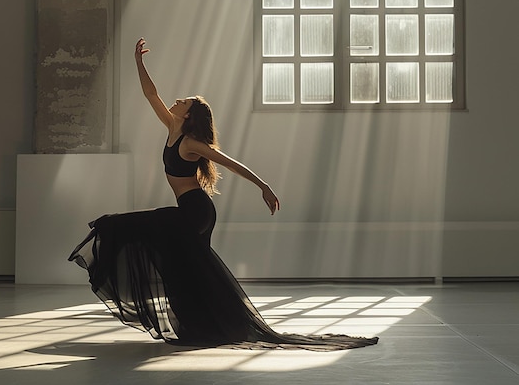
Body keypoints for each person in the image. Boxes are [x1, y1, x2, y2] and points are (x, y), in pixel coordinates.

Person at [68, 38, 378, 351]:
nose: (176, 100)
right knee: (183, 267)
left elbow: (230, 162)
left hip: (195, 211)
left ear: (189, 115)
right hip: (190, 209)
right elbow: (151, 94)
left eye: (184, 101)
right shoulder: (172, 127)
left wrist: (263, 186)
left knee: (122, 226)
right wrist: (138, 62)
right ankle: (203, 326)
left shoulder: (190, 143)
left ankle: (214, 324)